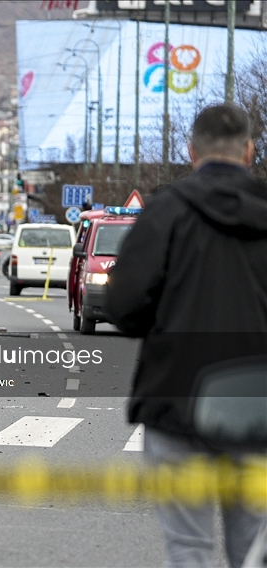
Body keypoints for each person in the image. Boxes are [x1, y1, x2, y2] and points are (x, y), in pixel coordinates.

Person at [106, 104, 267, 567]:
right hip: (258, 403)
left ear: (191, 150)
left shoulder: (165, 212)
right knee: (253, 549)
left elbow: (124, 306)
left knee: (189, 549)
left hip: (177, 398)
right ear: (250, 151)